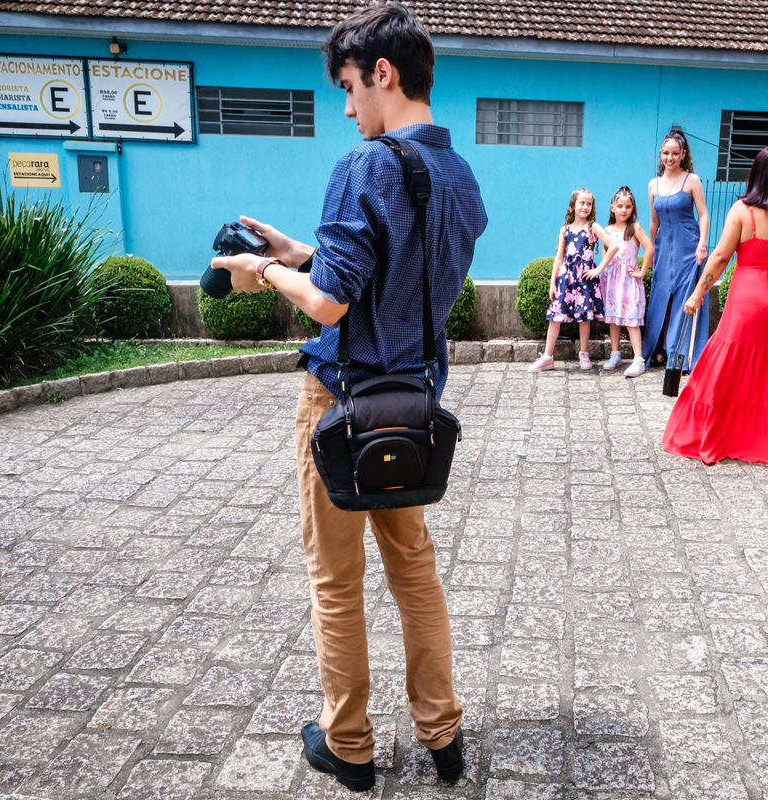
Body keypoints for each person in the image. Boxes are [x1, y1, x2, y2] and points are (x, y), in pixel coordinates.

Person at [208, 4, 487, 792]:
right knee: (415, 573)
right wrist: (302, 250)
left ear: (382, 74)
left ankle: (351, 745)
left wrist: (261, 271)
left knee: (336, 581)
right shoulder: (457, 175)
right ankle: (443, 735)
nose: (345, 105)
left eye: (348, 86)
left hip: (339, 407)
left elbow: (330, 304)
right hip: (411, 406)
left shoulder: (365, 165)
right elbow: (394, 275)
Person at [663, 144, 768, 468]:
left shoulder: (743, 210)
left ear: (757, 173)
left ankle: (721, 432)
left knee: (730, 359)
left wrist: (696, 295)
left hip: (750, 297)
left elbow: (721, 257)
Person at [641, 129, 710, 369]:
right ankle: (658, 349)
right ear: (661, 154)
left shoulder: (692, 180)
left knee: (684, 298)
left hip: (688, 246)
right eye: (665, 153)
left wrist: (702, 244)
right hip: (664, 247)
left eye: (674, 153)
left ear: (683, 155)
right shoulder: (653, 184)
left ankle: (680, 355)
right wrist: (651, 249)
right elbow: (653, 221)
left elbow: (703, 214)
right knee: (662, 298)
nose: (669, 158)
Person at [529, 189, 617, 372]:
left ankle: (583, 354)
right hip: (565, 280)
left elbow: (614, 246)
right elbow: (559, 258)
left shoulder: (593, 227)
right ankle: (547, 357)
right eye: (582, 203)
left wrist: (599, 269)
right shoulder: (565, 230)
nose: (585, 207)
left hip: (584, 280)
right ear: (573, 206)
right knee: (555, 316)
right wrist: (553, 282)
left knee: (584, 317)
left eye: (589, 204)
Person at [597, 185, 653, 377]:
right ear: (612, 207)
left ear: (633, 208)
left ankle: (638, 359)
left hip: (628, 281)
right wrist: (603, 270)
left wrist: (642, 272)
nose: (624, 210)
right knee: (613, 319)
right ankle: (615, 354)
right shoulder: (608, 229)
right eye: (620, 206)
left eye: (628, 206)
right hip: (612, 281)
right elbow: (605, 251)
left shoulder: (634, 228)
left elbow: (649, 248)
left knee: (631, 321)